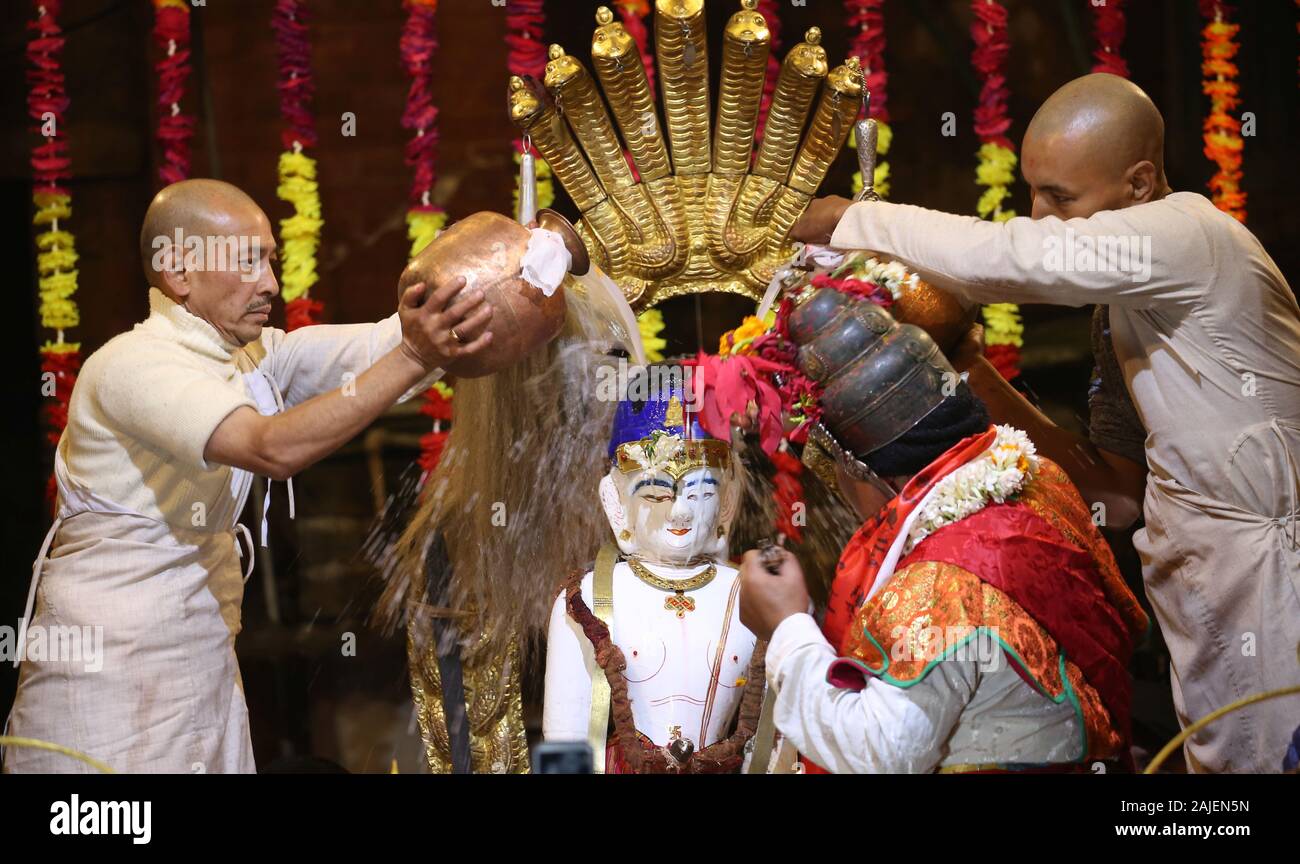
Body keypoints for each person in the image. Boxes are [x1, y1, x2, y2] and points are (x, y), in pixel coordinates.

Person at [791, 73, 1300, 773]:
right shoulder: (1119, 316)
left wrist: (854, 220)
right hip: (1199, 582)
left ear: (1140, 183)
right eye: (1031, 191)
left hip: (1269, 570)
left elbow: (1014, 260)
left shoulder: (1193, 238)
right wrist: (966, 363)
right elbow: (1116, 494)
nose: (1037, 214)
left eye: (1060, 197)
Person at [4, 178, 492, 773]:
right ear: (180, 272)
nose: (271, 283)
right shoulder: (131, 365)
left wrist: (495, 280)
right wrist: (418, 354)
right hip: (108, 680)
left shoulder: (252, 359)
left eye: (271, 260)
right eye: (249, 261)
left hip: (199, 668)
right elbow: (270, 448)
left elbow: (383, 347)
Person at [737, 293, 1148, 773]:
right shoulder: (1039, 480)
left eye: (835, 475)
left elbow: (878, 754)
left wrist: (786, 628)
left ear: (862, 470)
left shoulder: (941, 586)